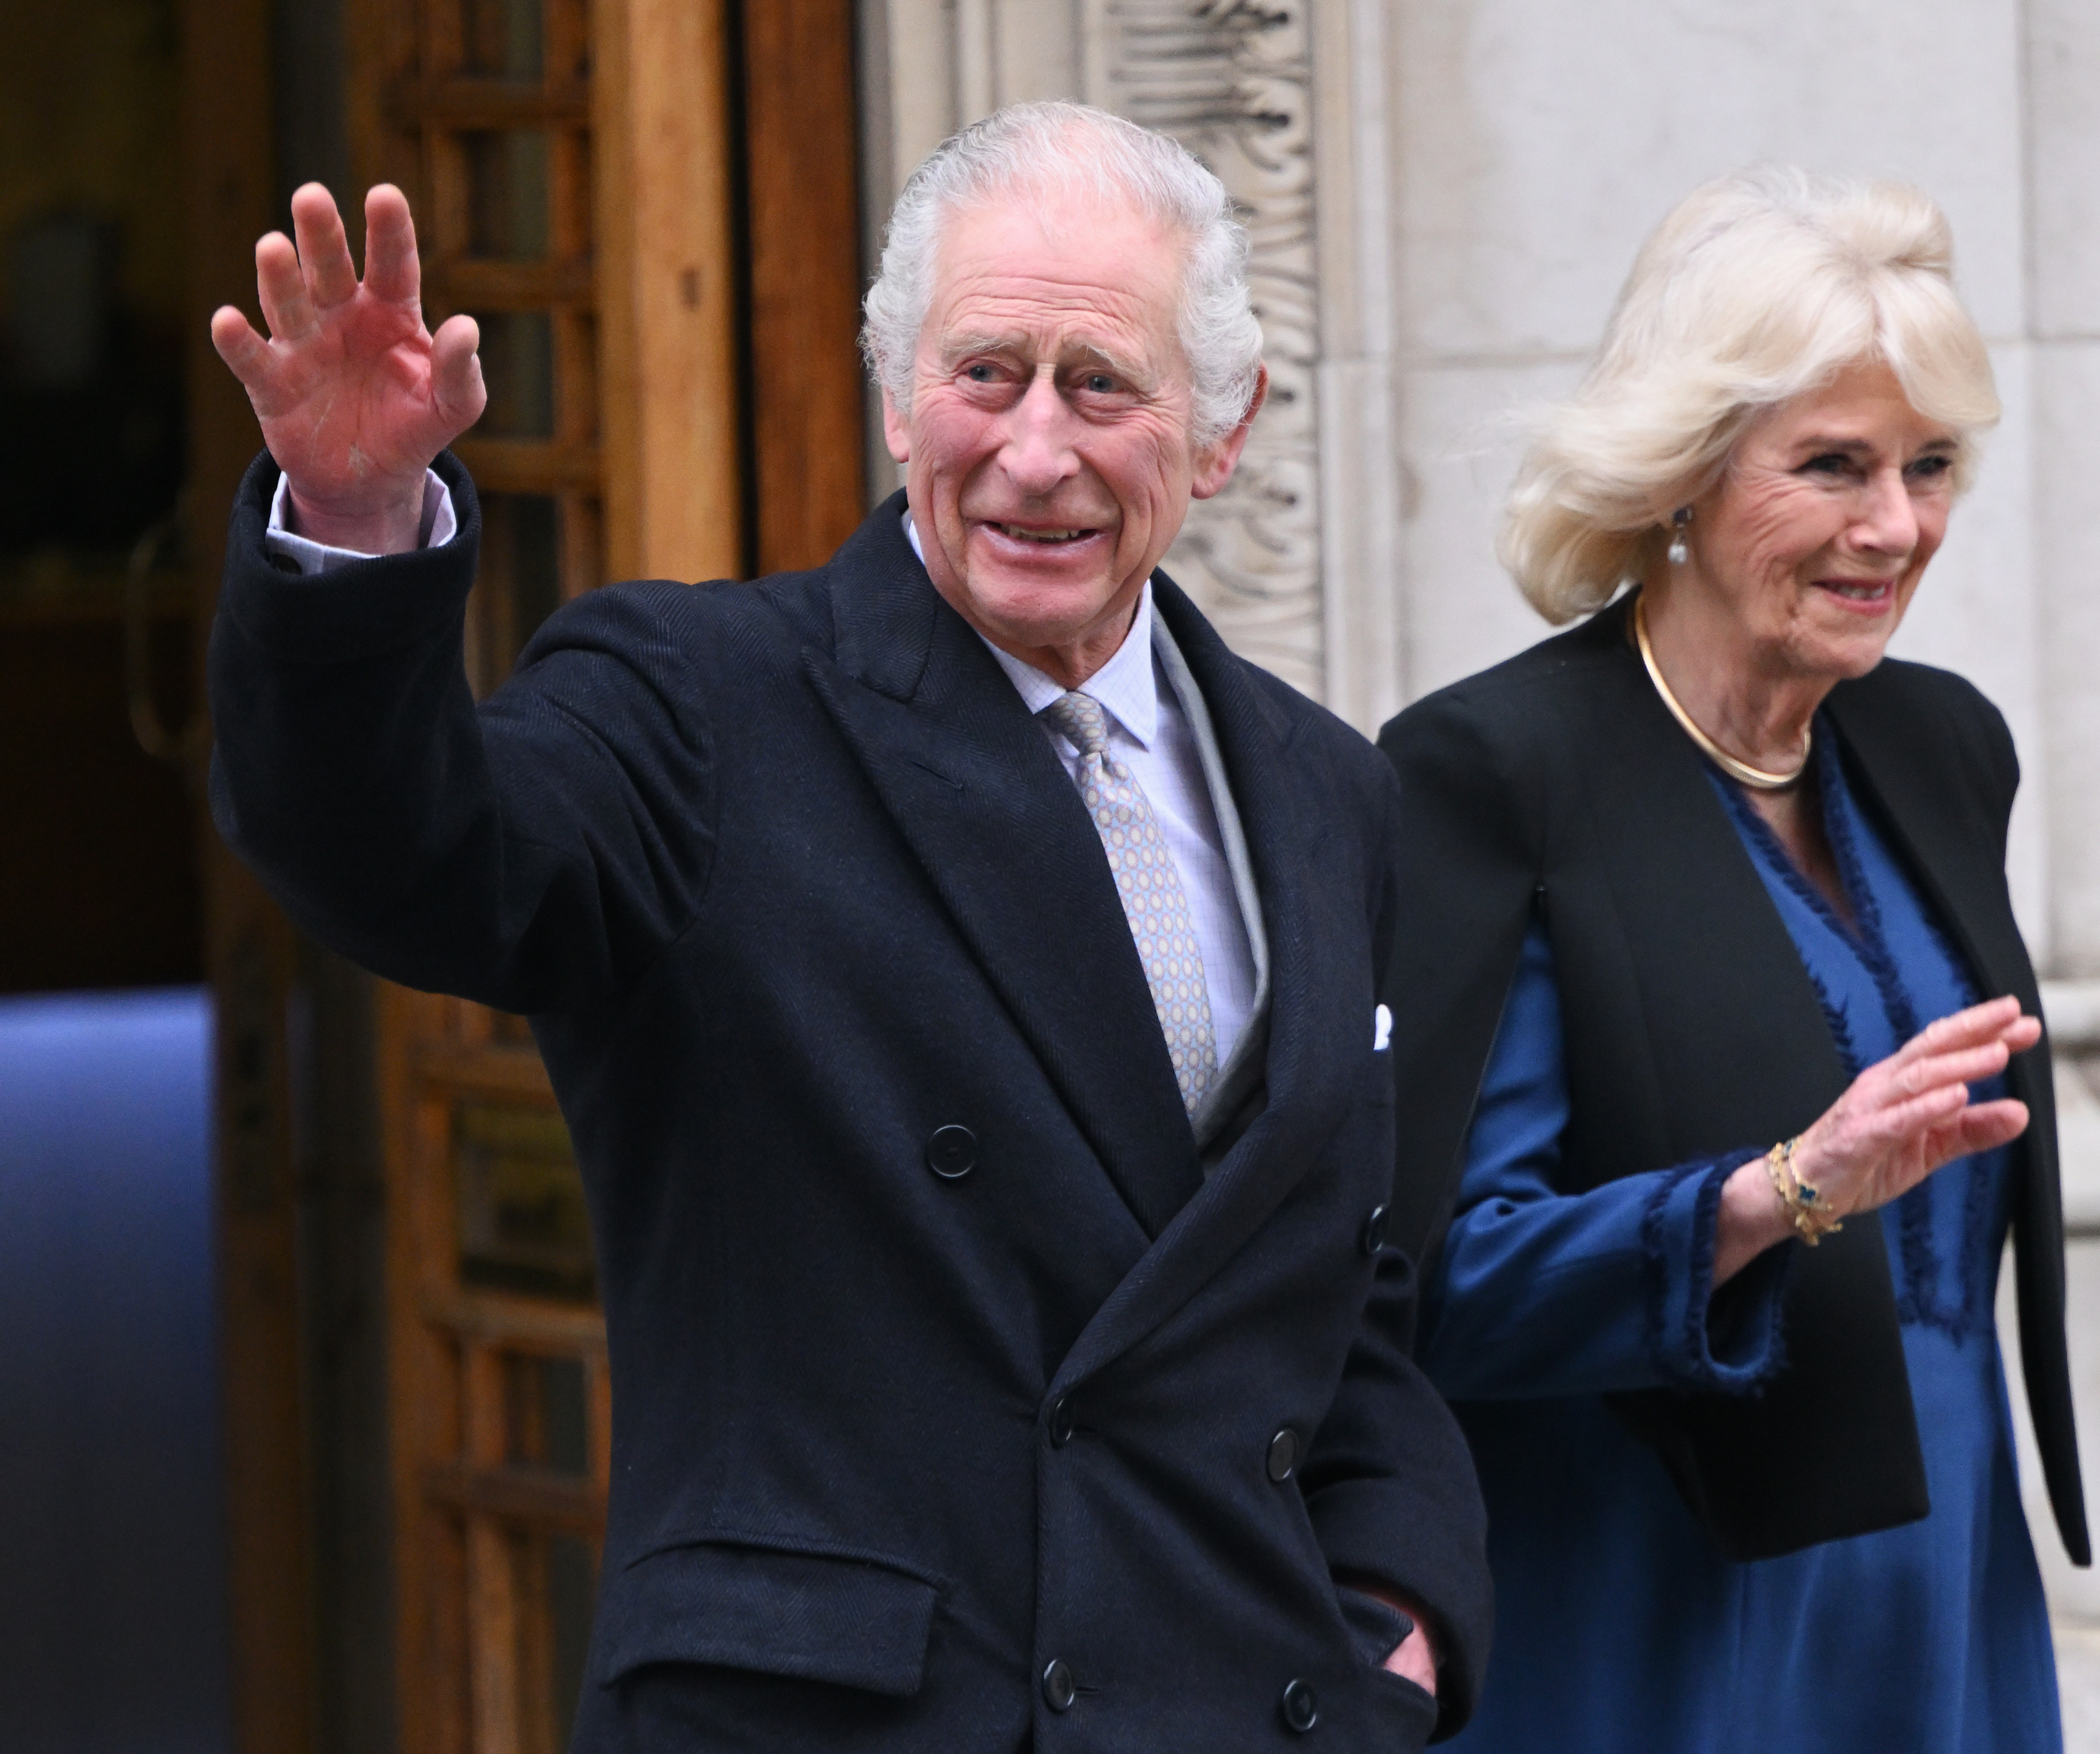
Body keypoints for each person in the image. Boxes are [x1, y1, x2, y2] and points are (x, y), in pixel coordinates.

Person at [206, 101, 1489, 1751]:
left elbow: (1346, 1301)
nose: (1037, 452)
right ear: (897, 398)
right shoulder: (699, 706)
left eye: (1102, 384)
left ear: (1224, 425)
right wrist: (355, 530)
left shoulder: (1328, 793)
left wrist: (1399, 1622)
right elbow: (406, 848)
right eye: (985, 375)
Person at [1379, 168, 2089, 1752]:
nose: (1893, 527)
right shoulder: (1495, 770)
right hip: (1652, 1589)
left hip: (1943, 1563)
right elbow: (1443, 1283)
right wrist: (1783, 1190)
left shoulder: (1940, 741)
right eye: (1831, 465)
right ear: (1685, 475)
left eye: (1929, 466)